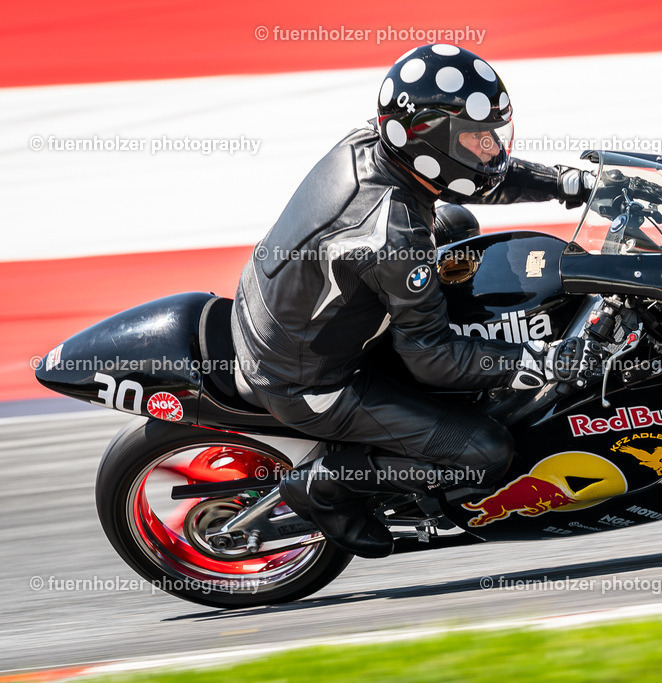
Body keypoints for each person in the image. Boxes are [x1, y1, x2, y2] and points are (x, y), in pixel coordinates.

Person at [230, 44, 601, 559]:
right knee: (486, 451)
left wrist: (565, 183)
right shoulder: (394, 233)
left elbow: (472, 177)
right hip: (307, 381)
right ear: (430, 140)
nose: (492, 147)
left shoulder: (376, 144)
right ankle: (324, 486)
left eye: (493, 132)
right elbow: (433, 359)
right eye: (477, 136)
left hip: (281, 308)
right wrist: (538, 360)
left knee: (459, 229)